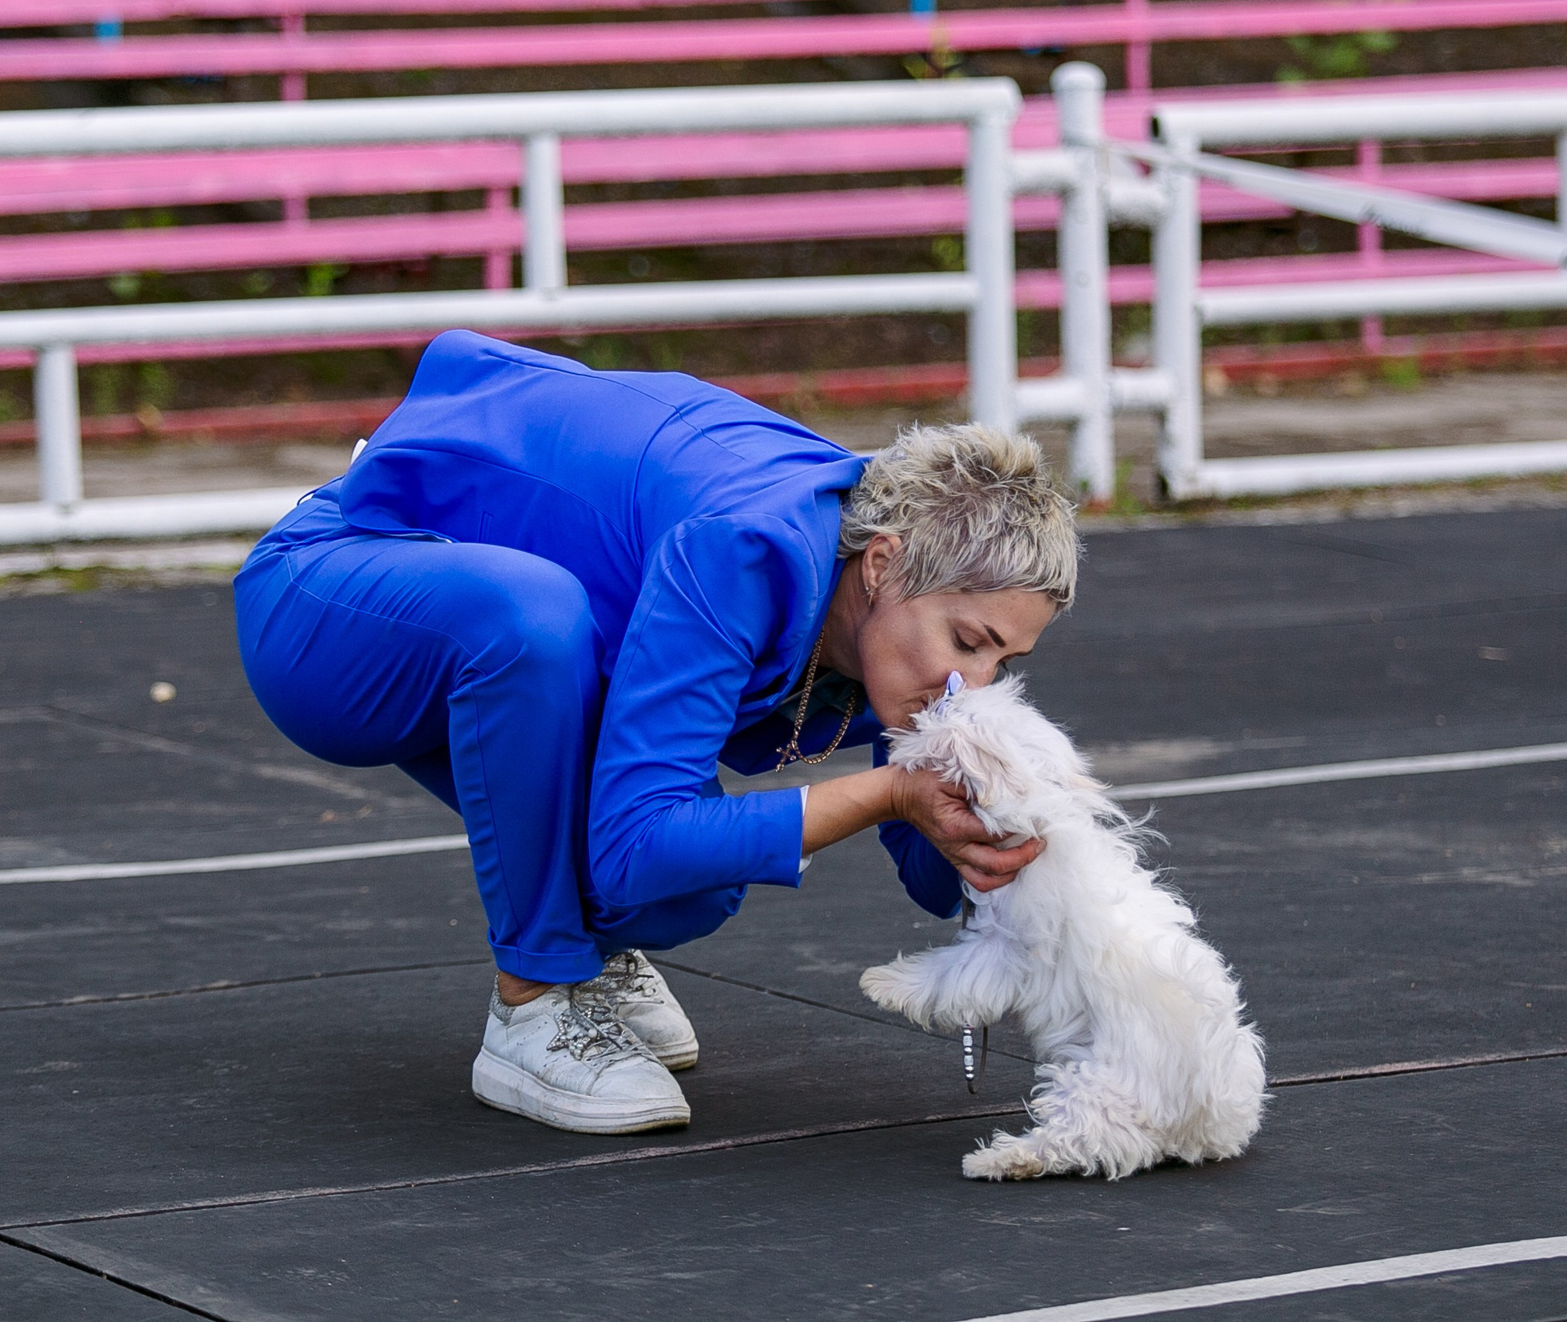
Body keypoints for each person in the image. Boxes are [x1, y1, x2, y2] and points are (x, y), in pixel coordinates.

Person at [233, 330, 1080, 1134]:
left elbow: (931, 880)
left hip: (479, 642)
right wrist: (891, 790)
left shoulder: (885, 614)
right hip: (326, 597)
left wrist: (1002, 831)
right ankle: (533, 1002)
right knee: (538, 627)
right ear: (885, 563)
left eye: (1004, 660)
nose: (974, 684)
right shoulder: (744, 548)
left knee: (696, 885)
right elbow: (631, 846)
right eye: (968, 641)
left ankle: (589, 949)